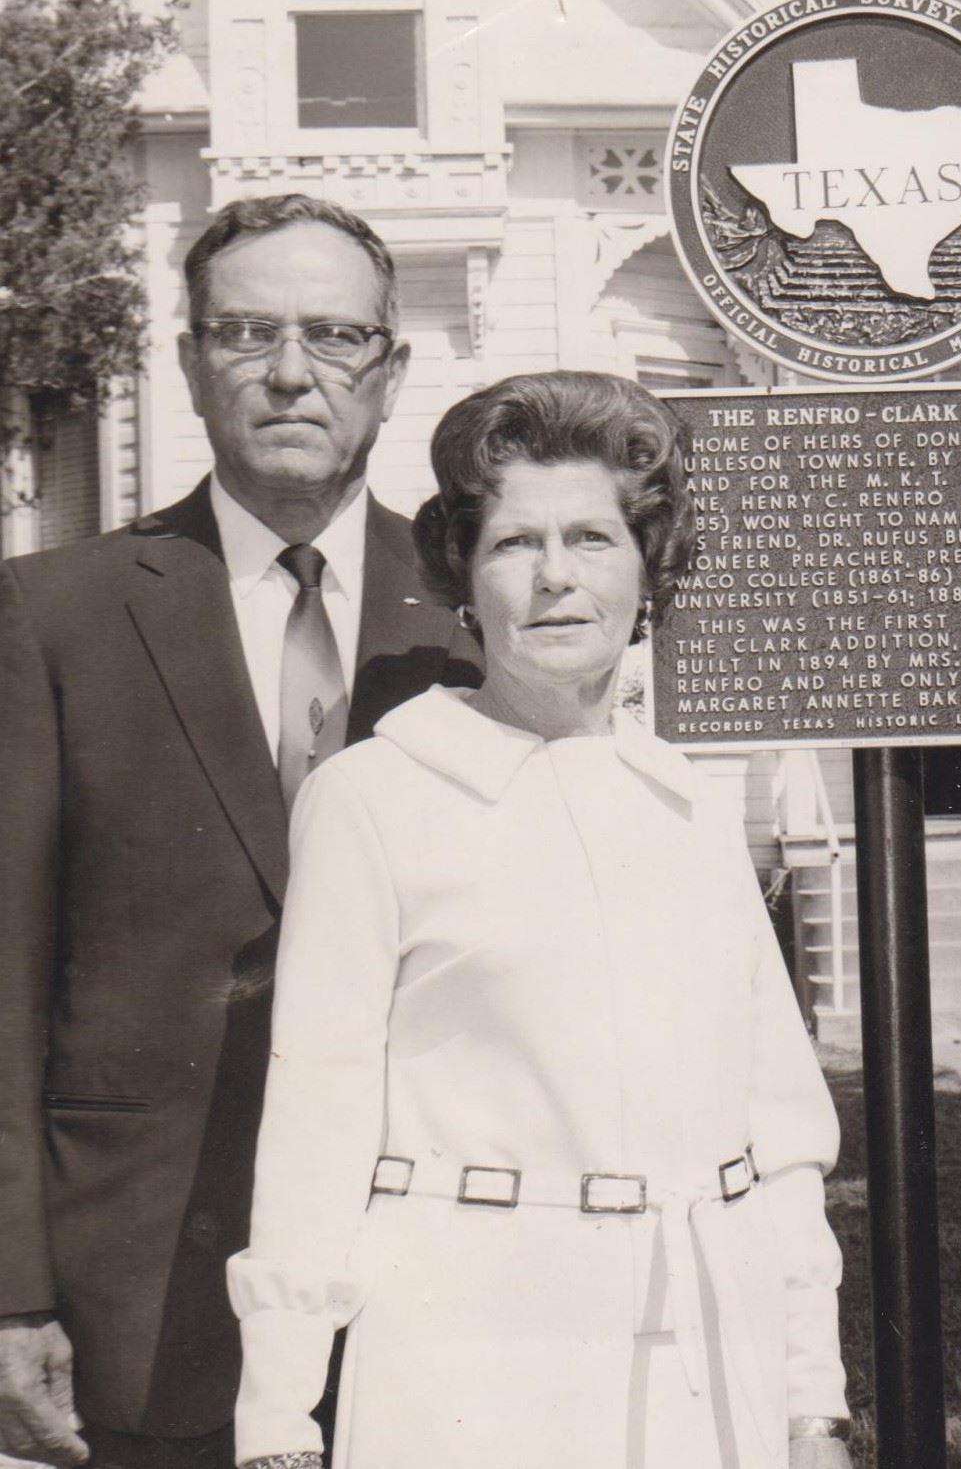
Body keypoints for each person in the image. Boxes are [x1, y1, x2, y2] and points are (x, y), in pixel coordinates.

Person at [226, 371, 853, 1469]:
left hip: (710, 1353)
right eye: (515, 542)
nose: (557, 576)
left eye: (593, 539)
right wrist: (281, 1422)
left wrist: (811, 1406)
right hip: (472, 1356)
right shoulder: (377, 797)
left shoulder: (692, 801)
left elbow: (782, 1136)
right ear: (465, 573)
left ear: (647, 568)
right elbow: (316, 1115)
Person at [0, 193, 480, 1469]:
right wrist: (8, 1286)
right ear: (188, 363)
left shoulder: (479, 621)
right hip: (148, 1278)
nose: (288, 372)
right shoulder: (54, 616)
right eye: (244, 333)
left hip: (434, 1279)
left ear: (391, 371)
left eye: (333, 335)